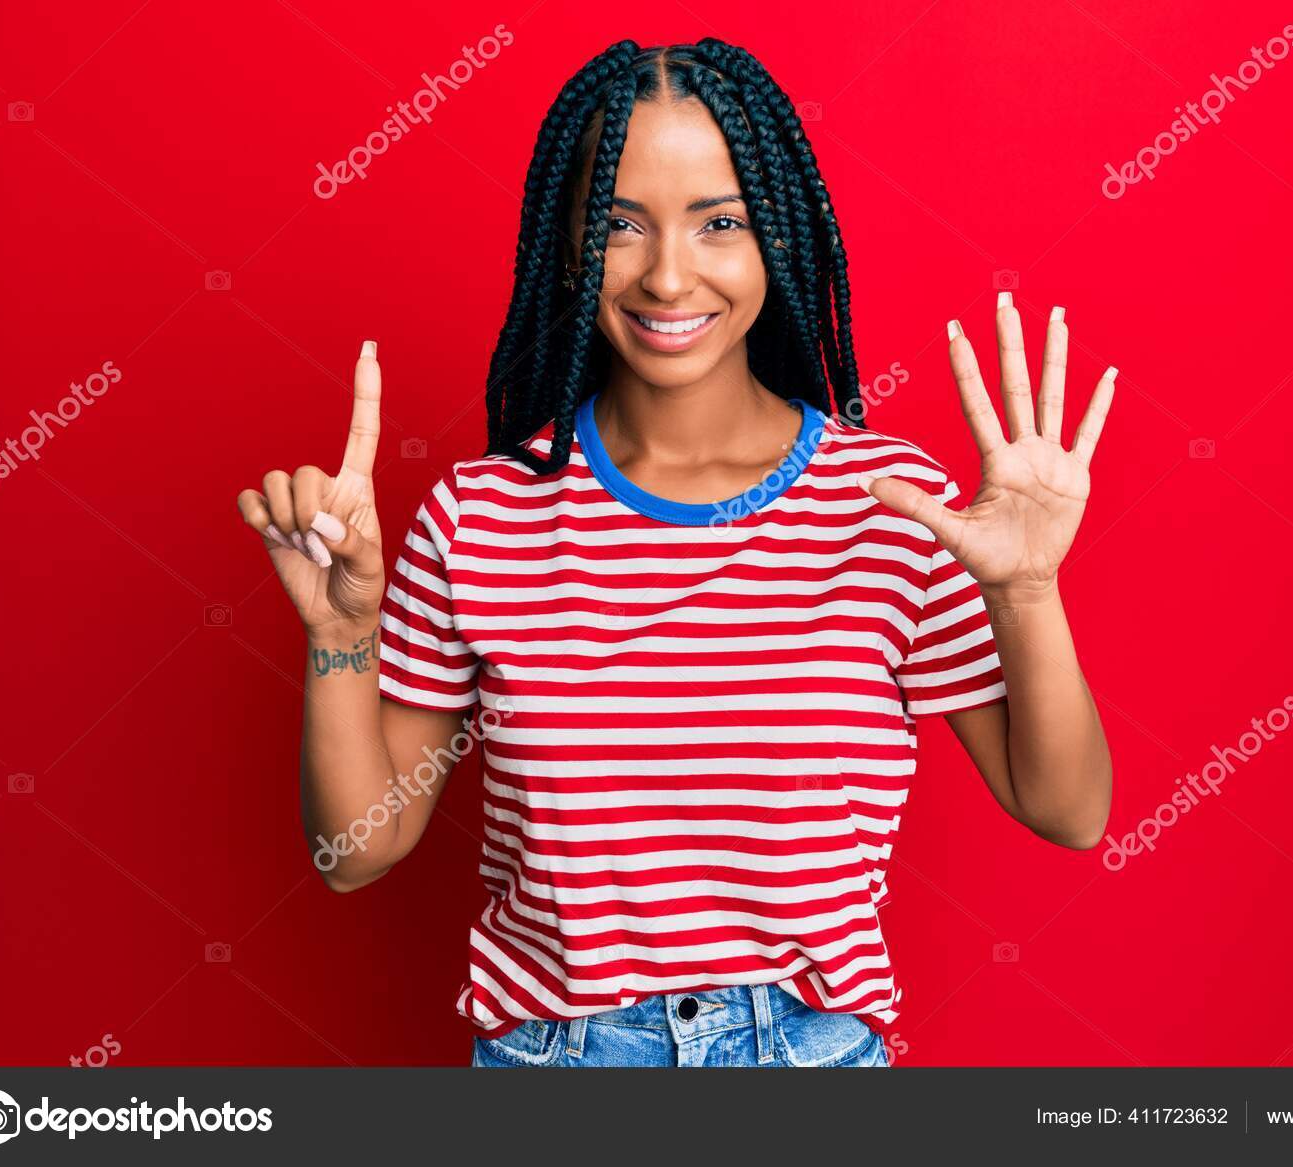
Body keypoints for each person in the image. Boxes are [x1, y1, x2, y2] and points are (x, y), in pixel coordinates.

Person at [236, 38, 1115, 1068]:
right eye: (617, 226)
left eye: (719, 223)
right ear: (566, 247)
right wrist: (342, 637)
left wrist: (1028, 590)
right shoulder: (481, 517)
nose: (665, 275)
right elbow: (355, 856)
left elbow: (1069, 812)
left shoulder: (890, 507)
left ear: (776, 237)